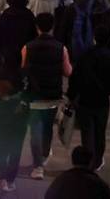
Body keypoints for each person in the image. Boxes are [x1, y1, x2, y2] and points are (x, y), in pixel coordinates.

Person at [21, 11, 72, 179]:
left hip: (34, 96)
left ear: (37, 27)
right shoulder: (61, 48)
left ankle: (37, 167)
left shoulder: (27, 47)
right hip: (52, 96)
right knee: (48, 128)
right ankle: (43, 156)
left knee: (35, 130)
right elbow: (67, 71)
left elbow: (22, 71)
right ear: (52, 27)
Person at [44, 145, 110, 199]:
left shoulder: (61, 180)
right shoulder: (97, 183)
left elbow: (48, 196)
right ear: (90, 162)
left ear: (73, 161)